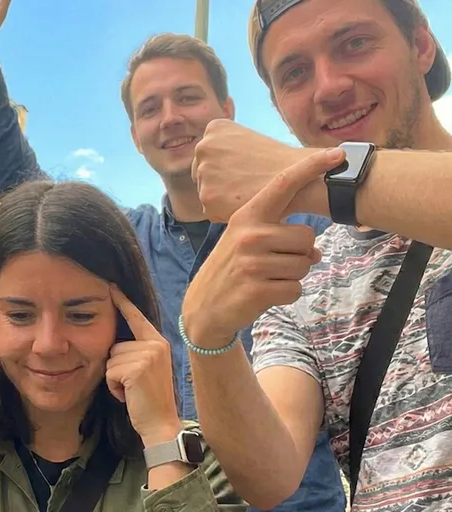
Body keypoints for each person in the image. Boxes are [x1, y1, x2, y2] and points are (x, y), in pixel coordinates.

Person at [0, 0, 345, 510]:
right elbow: (22, 187)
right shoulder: (127, 241)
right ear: (136, 136)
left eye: (187, 97)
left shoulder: (310, 228)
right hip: (168, 495)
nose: (171, 118)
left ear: (227, 110)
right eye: (150, 108)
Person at [180, 0, 452, 509]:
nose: (328, 87)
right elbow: (270, 474)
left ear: (420, 44)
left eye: (355, 43)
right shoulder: (303, 272)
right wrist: (205, 335)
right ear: (278, 106)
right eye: (295, 73)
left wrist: (310, 173)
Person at [0, 180, 247, 511]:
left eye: (81, 315)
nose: (48, 345)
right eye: (20, 315)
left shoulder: (192, 455)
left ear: (124, 321)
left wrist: (162, 441)